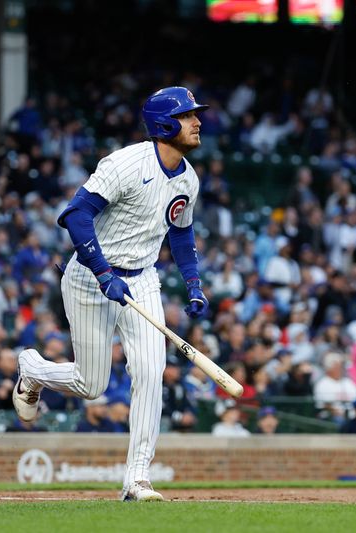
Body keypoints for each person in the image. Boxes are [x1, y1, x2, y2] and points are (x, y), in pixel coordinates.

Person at [13, 86, 210, 501]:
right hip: (89, 275)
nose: (197, 122)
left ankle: (137, 478)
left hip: (141, 278)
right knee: (92, 385)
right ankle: (32, 369)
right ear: (163, 124)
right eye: (188, 115)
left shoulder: (188, 178)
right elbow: (75, 214)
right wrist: (103, 271)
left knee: (150, 373)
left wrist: (193, 282)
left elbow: (181, 231)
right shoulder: (125, 162)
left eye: (196, 114)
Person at [313, 352, 356, 423]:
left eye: (341, 366)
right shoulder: (322, 384)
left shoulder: (348, 382)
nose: (340, 369)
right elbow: (323, 405)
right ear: (329, 368)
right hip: (332, 417)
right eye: (337, 366)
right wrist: (338, 412)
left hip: (353, 415)